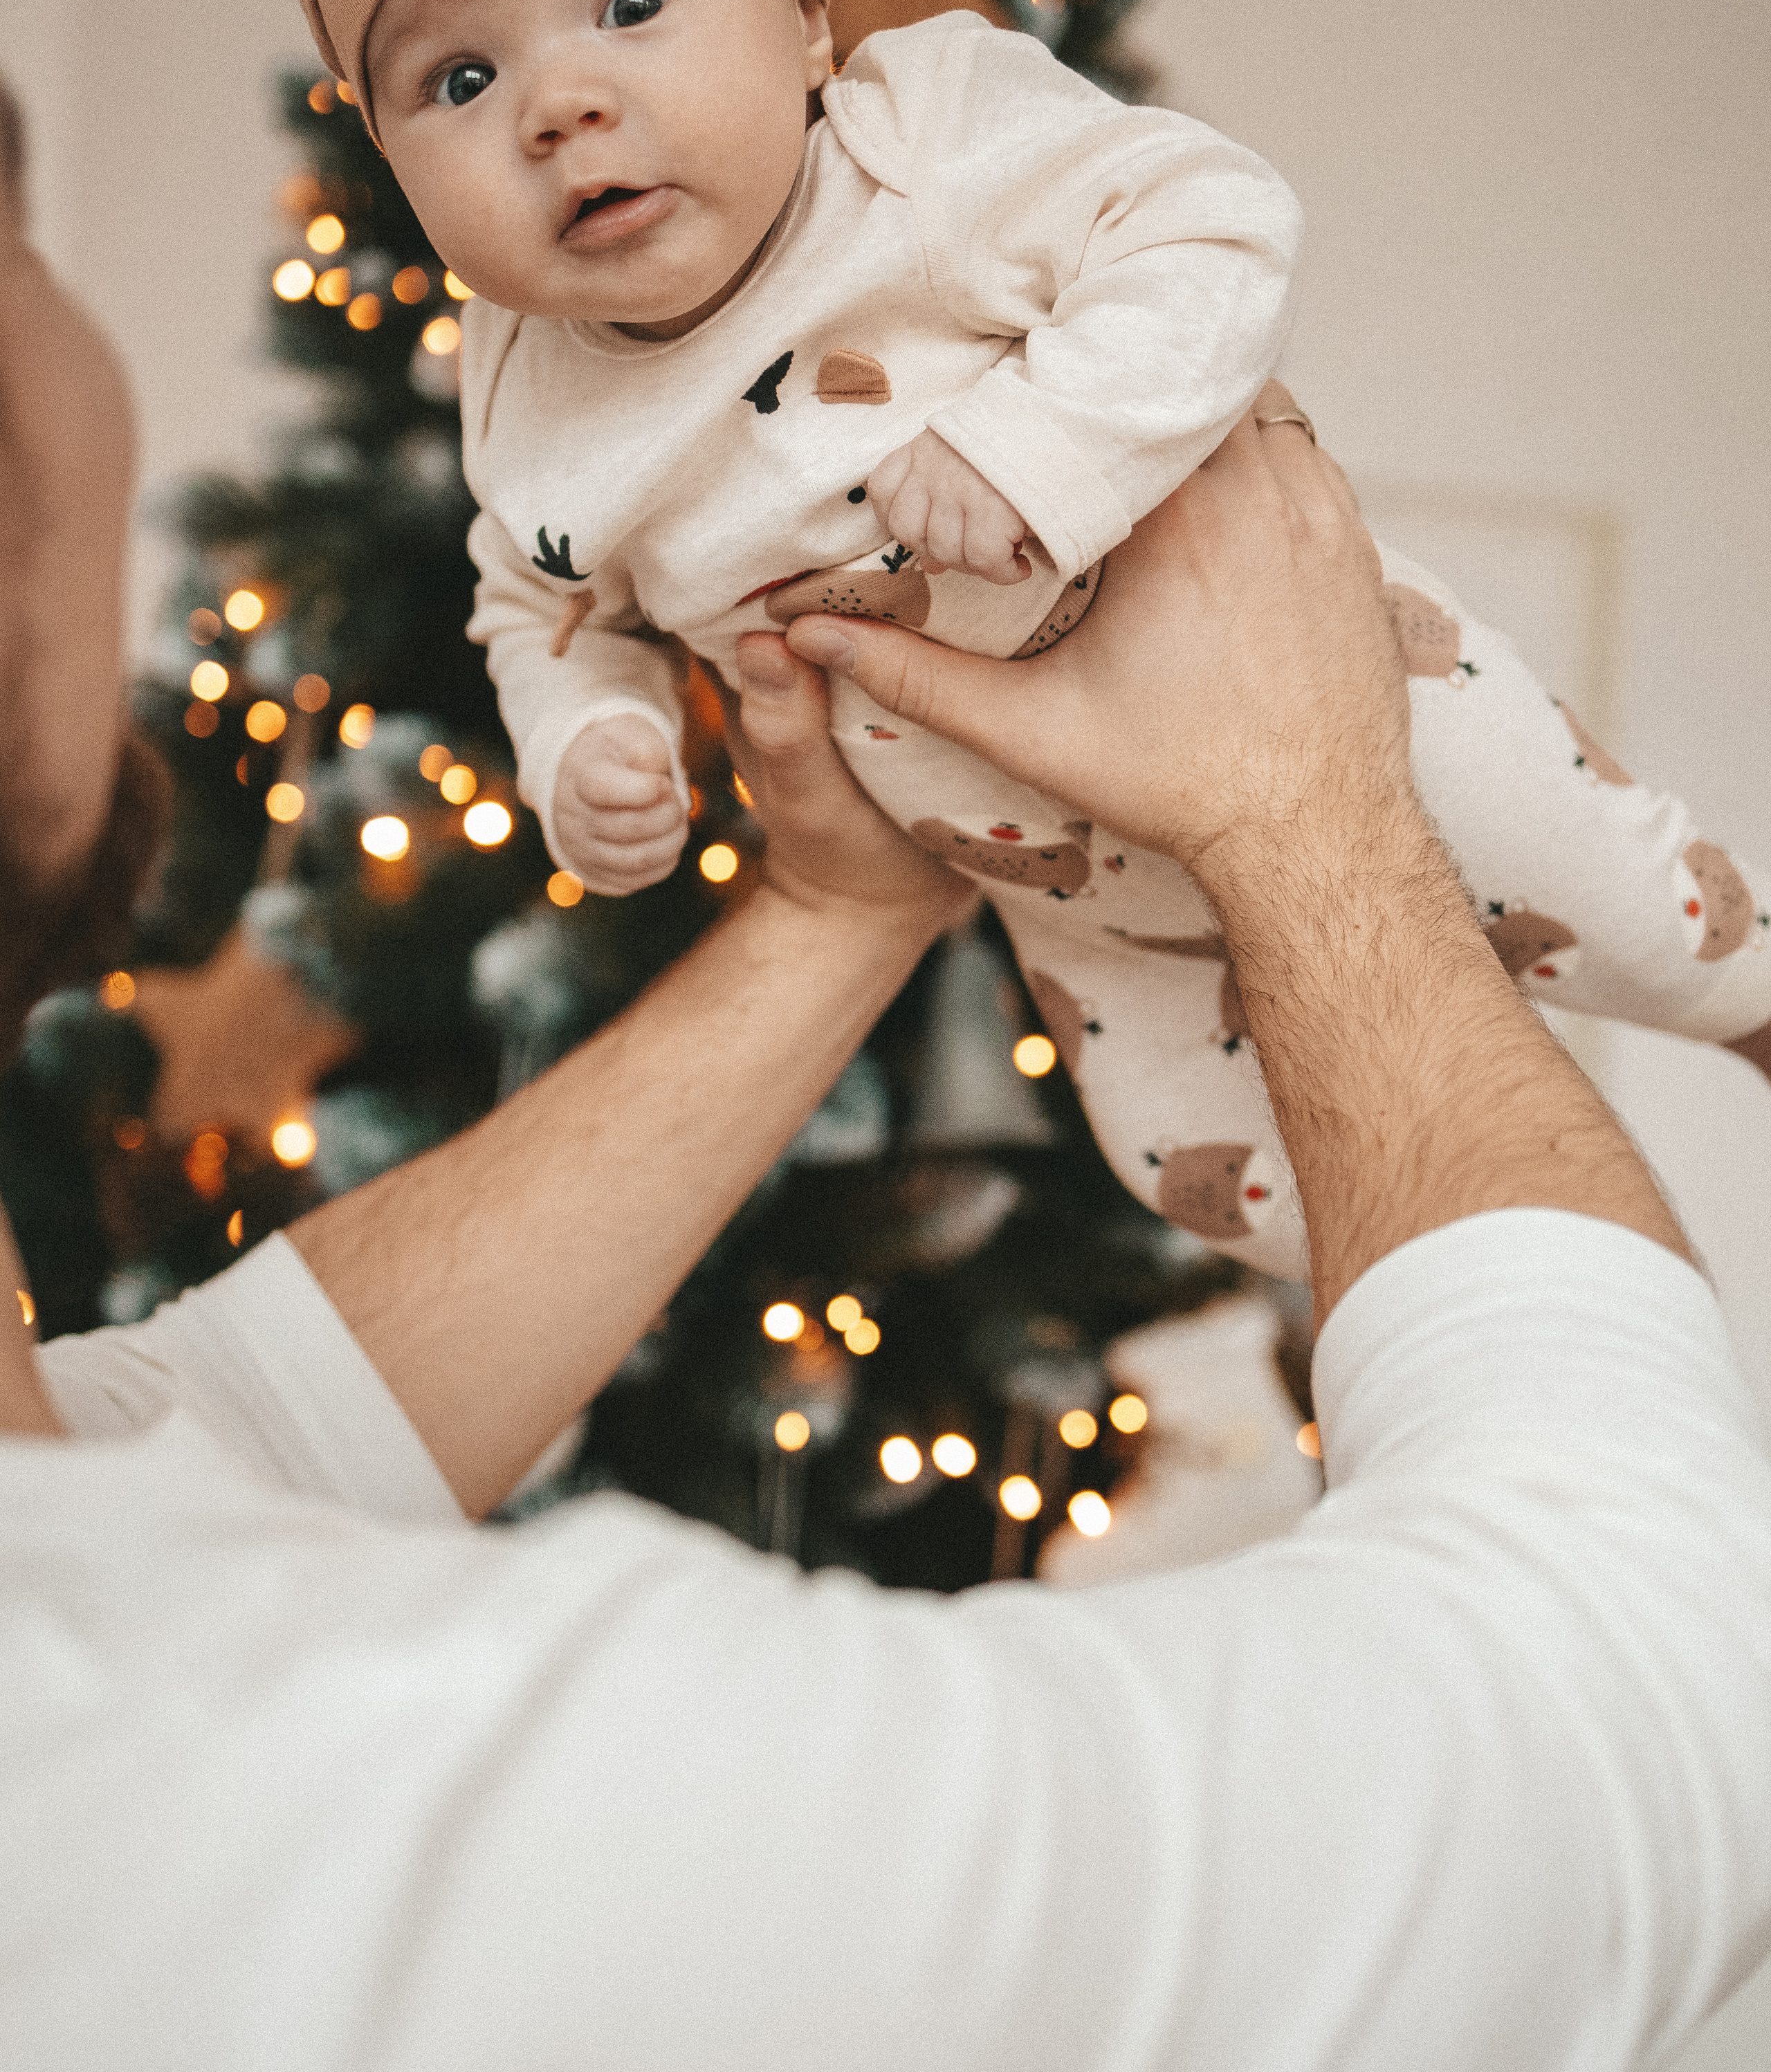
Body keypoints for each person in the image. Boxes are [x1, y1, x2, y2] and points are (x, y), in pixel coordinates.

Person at [3, 154, 1770, 2066]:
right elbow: (1654, 1678)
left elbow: (221, 1430)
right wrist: (1301, 804)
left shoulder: (75, 1562)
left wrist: (844, 907)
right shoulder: (285, 1798)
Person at [165, 0, 1771, 1284]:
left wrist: (1042, 448)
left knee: (1626, 904)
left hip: (1336, 720)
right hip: (1059, 890)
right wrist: (586, 741)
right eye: (458, 80)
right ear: (394, 165)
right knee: (1193, 1167)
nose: (559, 101)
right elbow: (540, 602)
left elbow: (1209, 222)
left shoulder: (912, 138)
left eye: (632, 2)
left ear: (796, 15)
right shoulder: (523, 395)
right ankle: (1491, 1298)